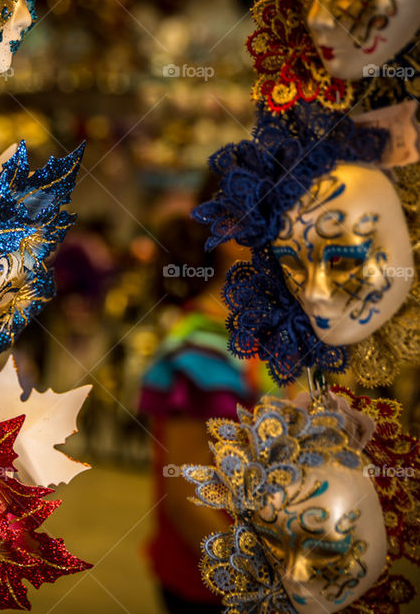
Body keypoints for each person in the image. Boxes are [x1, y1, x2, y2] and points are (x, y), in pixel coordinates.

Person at [138, 189, 271, 614]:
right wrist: (261, 581)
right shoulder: (202, 346)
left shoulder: (253, 334)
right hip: (213, 581)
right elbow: (184, 498)